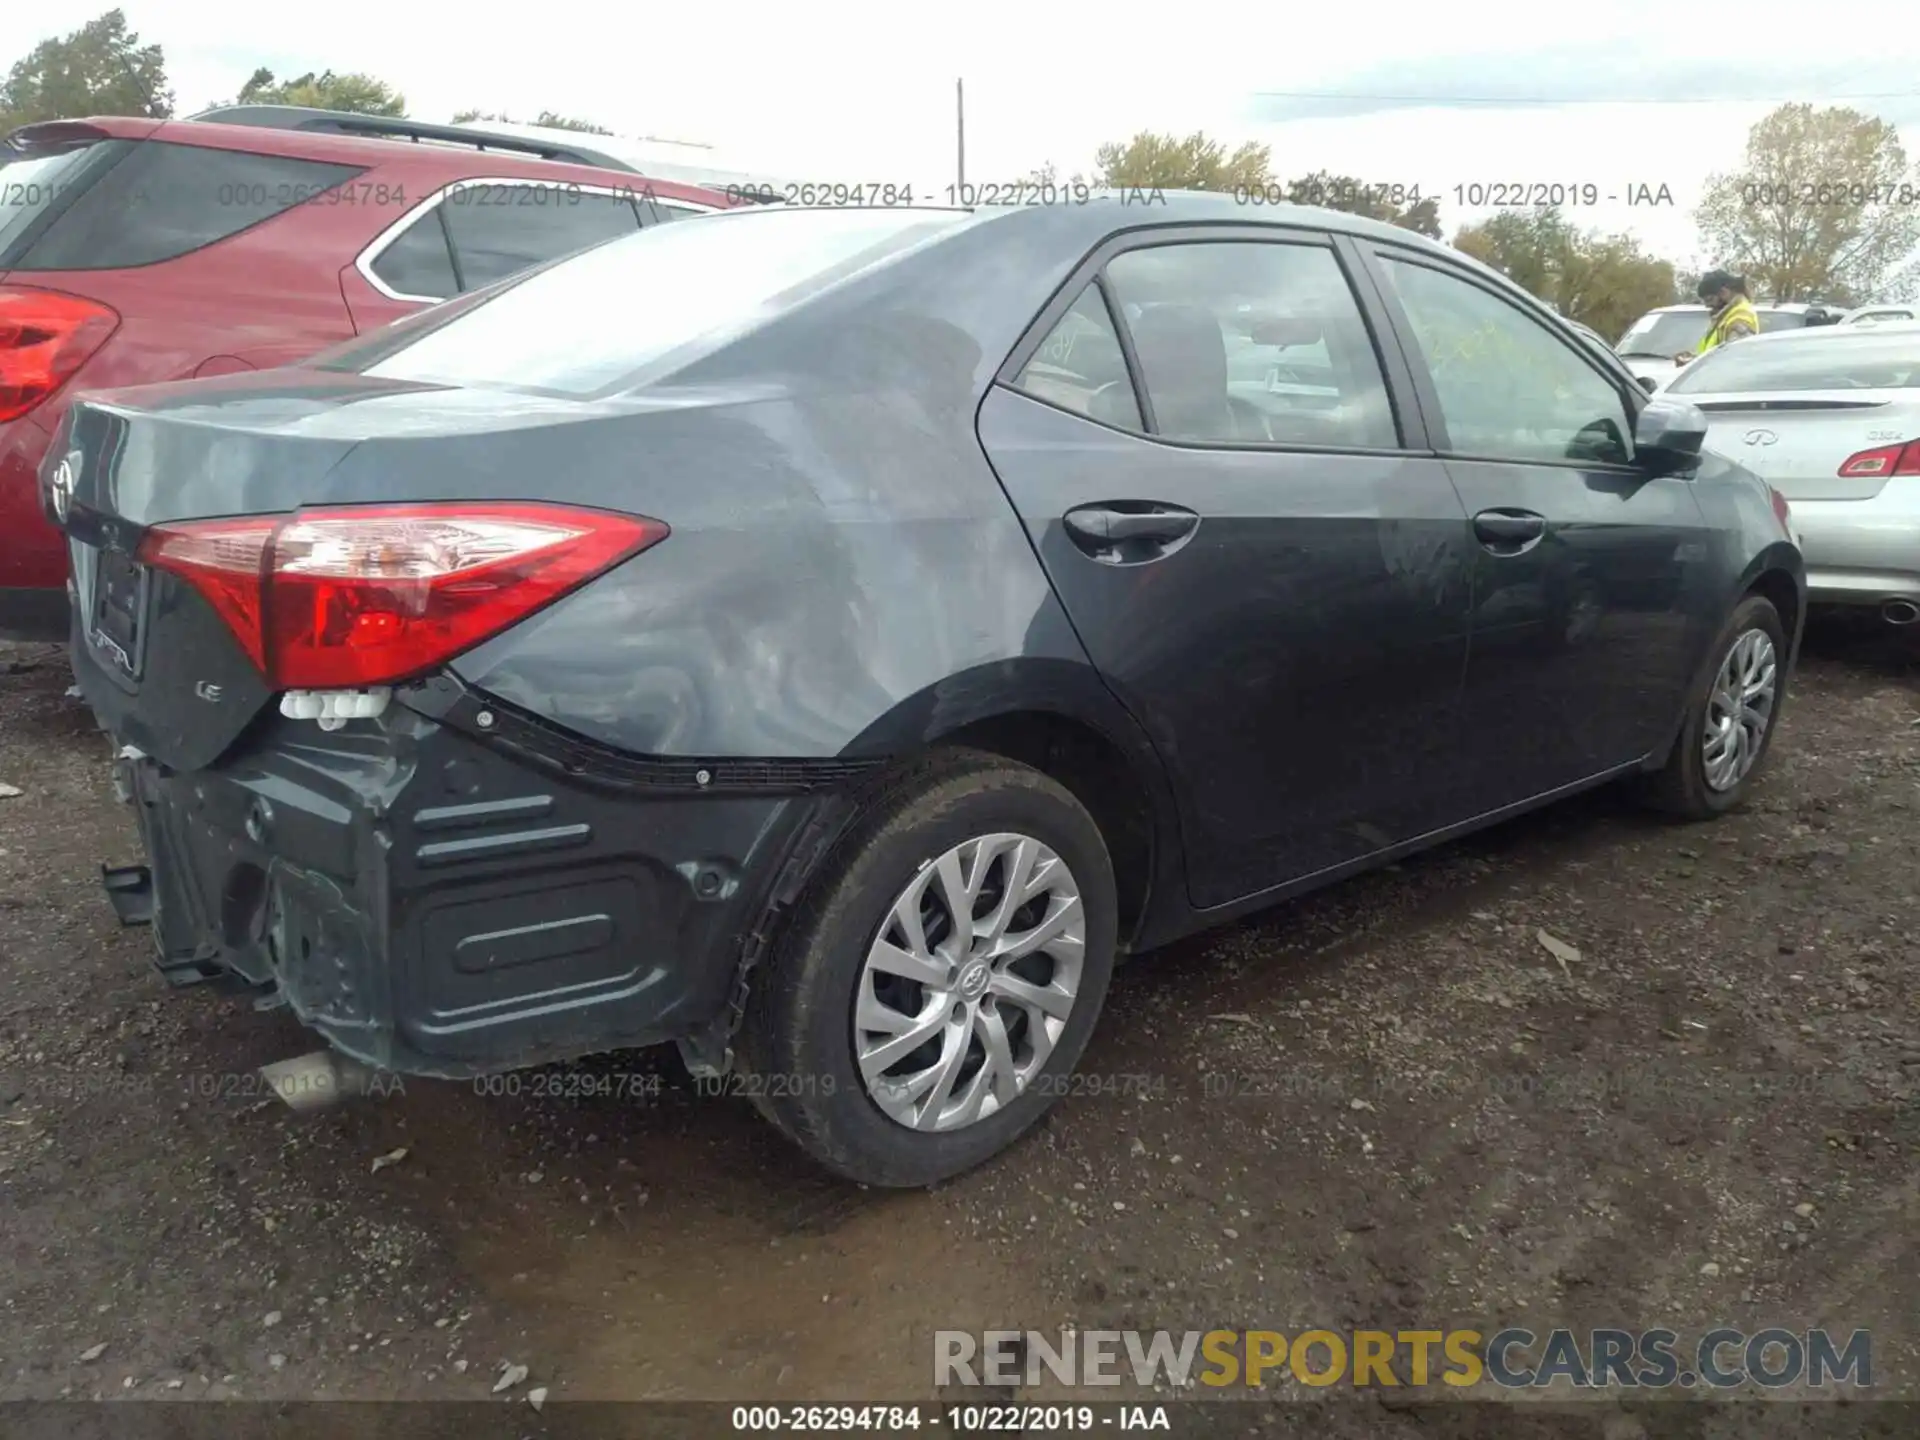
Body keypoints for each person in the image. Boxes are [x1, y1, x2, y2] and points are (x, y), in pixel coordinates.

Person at [1676, 270, 1760, 365]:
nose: (1707, 305)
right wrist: (1694, 360)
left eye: (1709, 299)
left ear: (1724, 292)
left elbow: (1734, 360)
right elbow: (1716, 352)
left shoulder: (1740, 318)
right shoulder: (1725, 315)